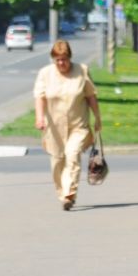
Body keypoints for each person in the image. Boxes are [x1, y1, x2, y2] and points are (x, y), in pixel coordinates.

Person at [32, 40, 102, 211]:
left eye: (64, 59)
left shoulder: (81, 71)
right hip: (54, 127)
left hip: (78, 125)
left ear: (70, 58)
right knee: (57, 162)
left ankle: (69, 194)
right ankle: (62, 192)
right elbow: (40, 97)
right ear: (53, 59)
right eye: (58, 60)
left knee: (73, 155)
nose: (61, 63)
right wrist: (40, 117)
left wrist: (97, 118)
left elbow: (91, 96)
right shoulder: (45, 74)